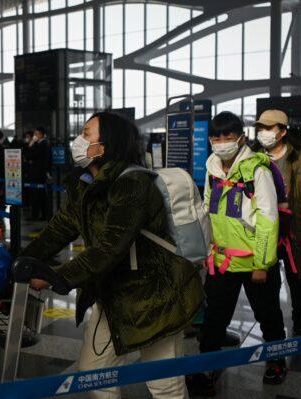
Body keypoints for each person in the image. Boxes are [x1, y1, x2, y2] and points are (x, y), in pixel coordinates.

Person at [21, 111, 204, 399]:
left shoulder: (132, 185)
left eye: (86, 134)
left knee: (164, 385)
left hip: (155, 297)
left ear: (104, 147)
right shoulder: (85, 185)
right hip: (114, 296)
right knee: (94, 374)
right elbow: (58, 230)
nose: (78, 141)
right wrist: (20, 262)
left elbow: (109, 248)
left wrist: (56, 277)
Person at [194, 112, 287, 391]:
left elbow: (268, 219)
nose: (221, 142)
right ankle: (207, 365)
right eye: (216, 137)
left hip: (255, 261)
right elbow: (208, 213)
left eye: (228, 137)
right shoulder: (211, 169)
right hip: (222, 260)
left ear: (242, 138)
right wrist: (207, 252)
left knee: (267, 313)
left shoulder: (258, 170)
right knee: (214, 318)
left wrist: (262, 263)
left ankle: (275, 361)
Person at [254, 109, 301, 337]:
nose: (263, 133)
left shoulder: (298, 157)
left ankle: (299, 317)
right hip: (267, 229)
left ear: (282, 132)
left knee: (296, 276)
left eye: (268, 128)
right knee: (269, 279)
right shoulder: (254, 157)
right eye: (260, 128)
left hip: (292, 228)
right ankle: (272, 321)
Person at [26, 127, 51, 221]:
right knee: (39, 195)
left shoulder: (43, 144)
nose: (34, 136)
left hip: (38, 173)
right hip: (38, 173)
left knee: (36, 195)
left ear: (41, 134)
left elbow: (30, 155)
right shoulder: (41, 144)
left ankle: (36, 215)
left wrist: (30, 145)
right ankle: (42, 215)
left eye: (36, 134)